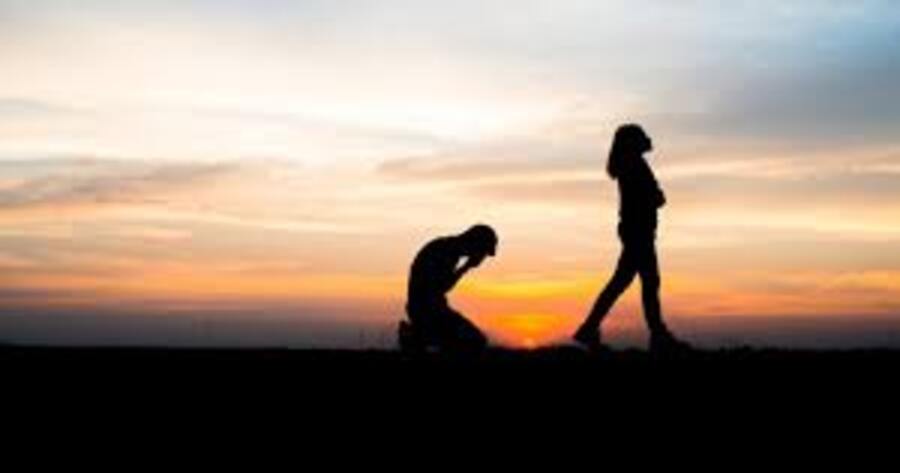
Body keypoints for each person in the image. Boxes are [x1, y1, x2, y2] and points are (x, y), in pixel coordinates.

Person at [573, 124, 690, 353]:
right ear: (632, 142)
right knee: (646, 283)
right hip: (638, 231)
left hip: (635, 230)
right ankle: (658, 336)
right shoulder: (634, 164)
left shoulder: (631, 164)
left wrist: (655, 197)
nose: (646, 139)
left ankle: (590, 329)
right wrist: (657, 197)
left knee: (627, 282)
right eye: (640, 137)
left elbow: (649, 196)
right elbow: (653, 197)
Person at [399, 224, 497, 353]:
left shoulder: (446, 248)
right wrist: (466, 267)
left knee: (467, 341)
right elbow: (441, 286)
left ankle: (418, 336)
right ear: (475, 244)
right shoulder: (446, 252)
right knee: (474, 341)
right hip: (428, 310)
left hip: (429, 308)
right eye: (483, 251)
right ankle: (416, 336)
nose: (482, 256)